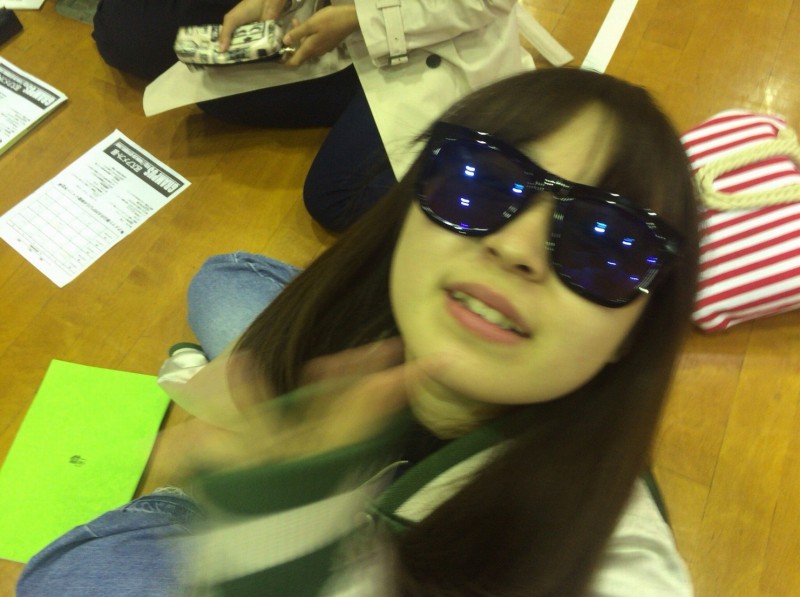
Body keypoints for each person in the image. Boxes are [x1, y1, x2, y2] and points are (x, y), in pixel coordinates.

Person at [17, 68, 699, 596]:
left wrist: (267, 521)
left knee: (73, 572)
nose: (515, 246)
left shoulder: (606, 556)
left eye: (606, 244)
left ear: (635, 333)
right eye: (480, 184)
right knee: (222, 277)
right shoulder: (377, 312)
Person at [93, 0, 570, 231]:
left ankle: (514, 196)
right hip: (345, 29)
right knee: (217, 96)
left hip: (438, 46)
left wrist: (362, 19)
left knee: (335, 199)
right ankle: (367, 111)